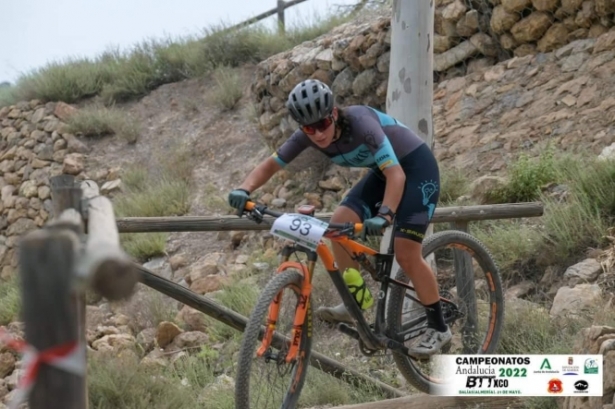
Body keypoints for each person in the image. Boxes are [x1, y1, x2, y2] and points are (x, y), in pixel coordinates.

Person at [227, 79, 451, 358]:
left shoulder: (360, 123)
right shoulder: (306, 136)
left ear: (333, 114)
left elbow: (397, 174)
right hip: (385, 173)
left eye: (322, 124)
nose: (318, 134)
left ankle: (439, 327)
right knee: (339, 223)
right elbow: (272, 164)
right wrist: (244, 188)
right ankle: (356, 300)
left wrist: (385, 215)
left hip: (416, 170)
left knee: (406, 253)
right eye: (309, 128)